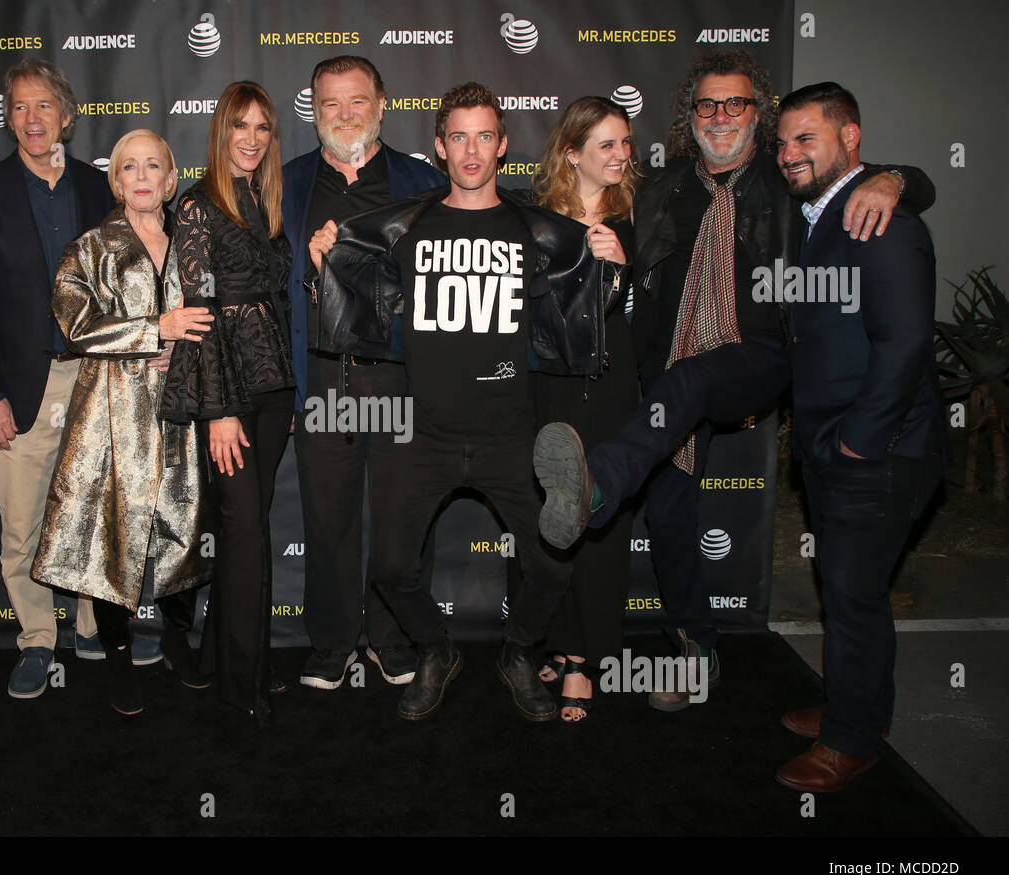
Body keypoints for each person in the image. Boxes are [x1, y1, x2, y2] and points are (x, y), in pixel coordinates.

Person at [532, 51, 935, 712]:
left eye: (736, 104)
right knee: (666, 508)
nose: (720, 116)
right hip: (669, 378)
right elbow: (591, 208)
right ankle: (696, 647)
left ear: (760, 115)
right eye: (706, 105)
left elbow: (874, 181)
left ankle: (595, 487)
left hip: (760, 357)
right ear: (689, 118)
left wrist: (894, 180)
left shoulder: (789, 183)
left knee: (692, 383)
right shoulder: (659, 188)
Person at [311, 82, 619, 722]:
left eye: (484, 136)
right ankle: (436, 649)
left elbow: (582, 320)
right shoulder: (406, 226)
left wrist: (608, 269)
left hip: (512, 433)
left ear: (503, 145)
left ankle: (515, 653)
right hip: (423, 433)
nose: (471, 151)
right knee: (391, 567)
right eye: (458, 137)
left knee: (555, 566)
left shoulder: (539, 232)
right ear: (440, 146)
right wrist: (327, 265)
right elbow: (362, 301)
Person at [0, 59, 156, 701]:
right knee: (23, 523)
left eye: (44, 106)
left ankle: (94, 624)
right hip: (20, 384)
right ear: (7, 118)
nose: (32, 118)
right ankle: (37, 639)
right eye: (19, 107)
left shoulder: (101, 189)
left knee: (95, 513)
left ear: (66, 116)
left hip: (100, 378)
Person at [772, 83, 944, 791]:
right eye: (782, 143)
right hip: (833, 443)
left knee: (853, 596)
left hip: (877, 451)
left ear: (852, 139)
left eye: (805, 139)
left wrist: (858, 445)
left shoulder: (886, 220)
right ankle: (858, 707)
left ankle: (852, 741)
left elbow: (905, 346)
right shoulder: (820, 215)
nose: (789, 154)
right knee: (851, 592)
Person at [30, 130, 215, 715]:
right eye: (128, 166)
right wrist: (152, 331)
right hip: (113, 416)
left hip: (184, 410)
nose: (140, 175)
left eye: (152, 165)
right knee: (117, 533)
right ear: (116, 181)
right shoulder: (90, 248)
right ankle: (116, 656)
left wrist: (181, 350)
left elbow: (218, 324)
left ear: (169, 178)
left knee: (184, 527)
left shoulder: (195, 245)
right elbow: (76, 325)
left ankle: (176, 643)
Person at [284, 56, 445, 690]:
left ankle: (392, 635)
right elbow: (266, 281)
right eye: (330, 104)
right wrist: (311, 269)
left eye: (357, 102)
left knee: (402, 517)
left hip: (401, 375)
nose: (345, 115)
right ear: (314, 110)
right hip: (324, 376)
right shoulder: (288, 181)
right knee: (327, 517)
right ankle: (331, 642)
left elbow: (447, 281)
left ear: (381, 105)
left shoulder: (423, 182)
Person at [159, 81, 295, 725]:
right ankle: (244, 689)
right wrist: (217, 410)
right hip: (230, 397)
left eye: (262, 128)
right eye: (240, 126)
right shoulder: (195, 207)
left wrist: (286, 391)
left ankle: (220, 659)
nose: (251, 138)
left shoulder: (264, 204)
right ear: (220, 132)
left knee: (250, 529)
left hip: (273, 393)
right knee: (245, 536)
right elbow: (201, 313)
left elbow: (276, 303)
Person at [529, 97, 640, 722]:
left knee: (600, 520)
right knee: (554, 518)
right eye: (606, 145)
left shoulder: (639, 216)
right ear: (571, 153)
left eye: (625, 143)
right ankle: (557, 640)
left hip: (615, 389)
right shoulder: (538, 220)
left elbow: (655, 315)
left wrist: (624, 270)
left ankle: (585, 658)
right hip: (552, 388)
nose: (622, 155)